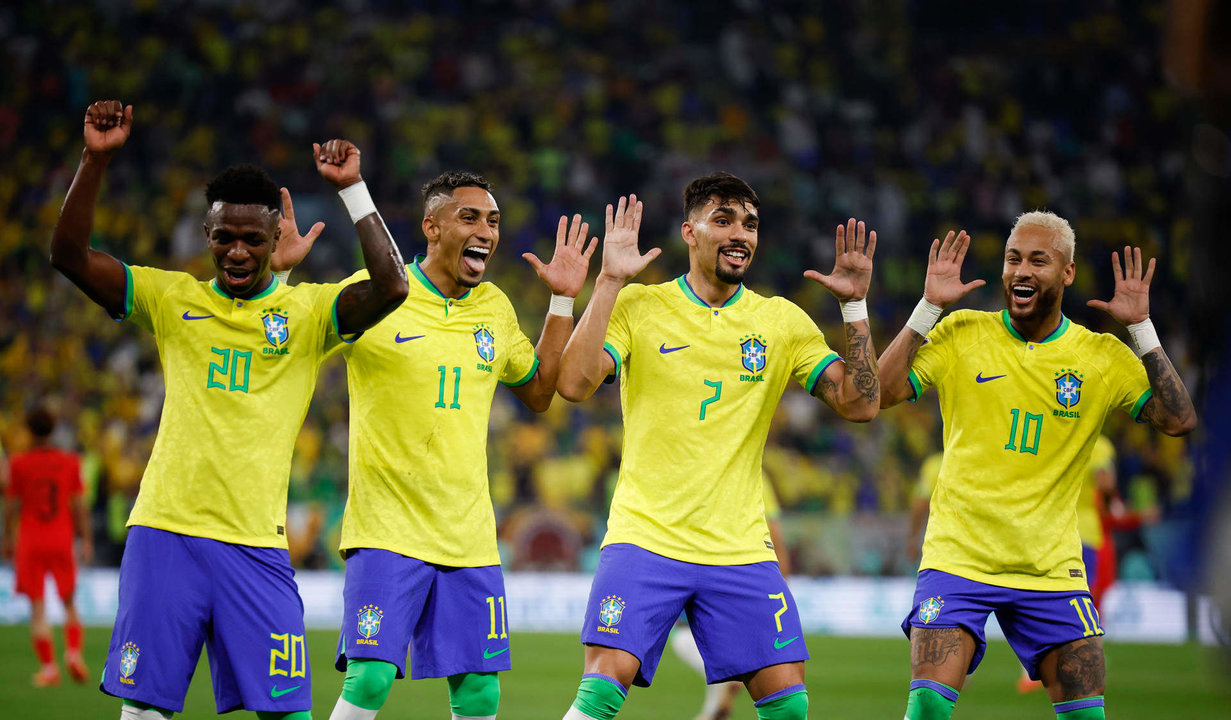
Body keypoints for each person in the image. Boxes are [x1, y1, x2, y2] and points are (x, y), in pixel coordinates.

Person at [50, 100, 409, 720]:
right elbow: (69, 257)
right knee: (143, 710)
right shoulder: (171, 298)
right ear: (207, 236)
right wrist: (94, 159)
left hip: (256, 548)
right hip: (166, 534)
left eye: (251, 239)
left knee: (288, 711)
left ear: (276, 240)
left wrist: (353, 190)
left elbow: (393, 286)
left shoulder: (306, 314)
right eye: (223, 237)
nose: (236, 252)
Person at [555, 173, 881, 720]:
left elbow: (860, 403)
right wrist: (609, 280)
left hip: (740, 549)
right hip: (646, 537)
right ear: (690, 231)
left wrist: (855, 308)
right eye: (723, 220)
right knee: (603, 686)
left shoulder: (780, 322)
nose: (740, 234)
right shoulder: (640, 306)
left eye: (750, 225)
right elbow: (574, 382)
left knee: (789, 705)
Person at [283, 171, 593, 720]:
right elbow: (286, 340)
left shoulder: (493, 307)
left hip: (468, 535)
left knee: (479, 692)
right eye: (470, 217)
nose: (486, 231)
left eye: (493, 221)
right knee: (372, 677)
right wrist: (279, 276)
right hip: (386, 527)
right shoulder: (379, 293)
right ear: (431, 226)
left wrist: (562, 302)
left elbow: (541, 392)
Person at [877, 213, 1196, 720]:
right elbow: (880, 393)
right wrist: (928, 307)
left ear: (1066, 273)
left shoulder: (1101, 356)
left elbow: (1179, 420)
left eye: (1037, 261)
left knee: (1087, 715)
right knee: (928, 709)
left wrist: (1140, 327)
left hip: (1050, 568)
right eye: (1012, 259)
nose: (1021, 271)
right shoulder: (963, 332)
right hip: (958, 558)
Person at [670, 477, 791, 720]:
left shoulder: (742, 473)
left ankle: (729, 675)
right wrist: (782, 585)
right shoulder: (756, 476)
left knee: (685, 635)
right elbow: (775, 534)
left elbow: (774, 533)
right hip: (744, 573)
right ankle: (717, 703)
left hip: (715, 567)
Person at [3, 406, 93, 687]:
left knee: (38, 608)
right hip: (61, 537)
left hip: (30, 539)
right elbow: (79, 505)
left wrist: (6, 536)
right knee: (69, 602)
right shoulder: (70, 462)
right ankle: (74, 654)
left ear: (29, 431)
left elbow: (11, 505)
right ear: (53, 429)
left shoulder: (18, 463)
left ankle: (49, 668)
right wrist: (86, 539)